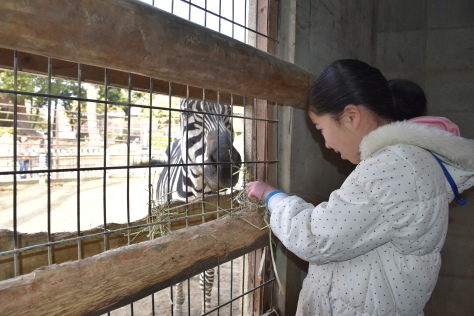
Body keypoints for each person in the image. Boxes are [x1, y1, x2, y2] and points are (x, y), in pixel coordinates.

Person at [246, 59, 474, 315]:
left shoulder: (390, 168)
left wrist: (274, 197)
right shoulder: (407, 159)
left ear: (352, 116)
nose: (326, 144)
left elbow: (314, 238)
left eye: (321, 128)